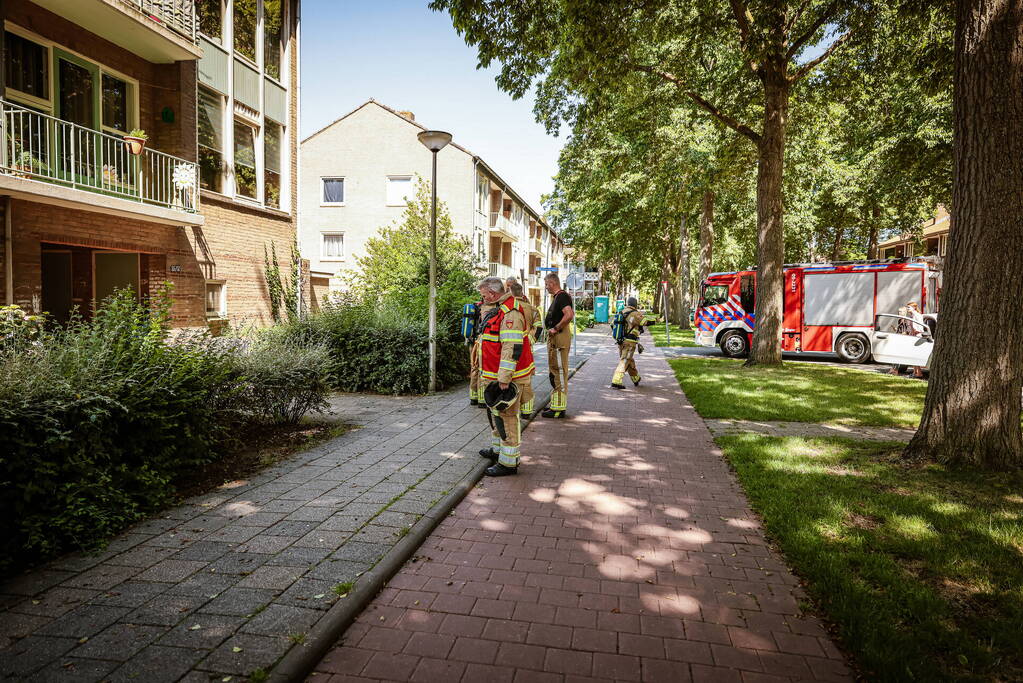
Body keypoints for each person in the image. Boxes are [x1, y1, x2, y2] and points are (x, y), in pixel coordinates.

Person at [477, 277, 535, 476]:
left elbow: (511, 348)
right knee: (496, 415)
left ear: (493, 294)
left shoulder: (510, 313)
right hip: (494, 375)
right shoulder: (499, 309)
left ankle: (509, 462)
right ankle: (498, 450)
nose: (482, 299)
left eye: (484, 295)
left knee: (508, 417)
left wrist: (504, 378)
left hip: (507, 378)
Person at [542, 273, 574, 418]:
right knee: (554, 371)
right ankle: (556, 404)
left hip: (559, 338)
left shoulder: (562, 296)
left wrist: (556, 328)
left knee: (560, 372)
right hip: (556, 339)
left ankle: (559, 409)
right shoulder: (557, 297)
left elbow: (569, 314)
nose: (546, 287)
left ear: (553, 283)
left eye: (547, 284)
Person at [506, 278, 538, 419]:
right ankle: (527, 411)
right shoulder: (532, 308)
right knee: (526, 380)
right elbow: (539, 327)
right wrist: (530, 340)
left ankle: (511, 408)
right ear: (522, 292)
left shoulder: (507, 308)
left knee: (511, 378)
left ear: (511, 293)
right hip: (526, 349)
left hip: (510, 349)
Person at [468, 294, 496, 407]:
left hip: (473, 341)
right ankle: (482, 400)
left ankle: (473, 397)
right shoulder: (489, 308)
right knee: (482, 370)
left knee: (474, 368)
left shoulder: (478, 307)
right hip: (481, 342)